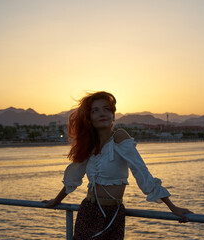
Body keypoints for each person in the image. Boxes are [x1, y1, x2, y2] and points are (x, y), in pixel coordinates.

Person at [42, 91, 192, 239]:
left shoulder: (120, 137)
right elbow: (73, 177)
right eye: (95, 111)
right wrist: (56, 201)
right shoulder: (89, 145)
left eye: (106, 109)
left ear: (113, 115)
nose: (102, 114)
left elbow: (141, 172)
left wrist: (172, 207)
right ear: (89, 118)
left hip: (113, 215)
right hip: (87, 212)